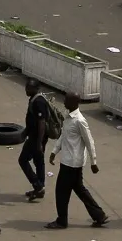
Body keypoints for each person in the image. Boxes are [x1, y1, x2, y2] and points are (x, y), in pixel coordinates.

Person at [47, 93, 107, 228]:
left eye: (67, 100)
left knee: (61, 191)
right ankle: (99, 215)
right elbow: (63, 136)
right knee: (79, 189)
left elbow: (89, 141)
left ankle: (62, 221)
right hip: (68, 160)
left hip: (72, 163)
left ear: (75, 103)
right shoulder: (68, 118)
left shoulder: (80, 120)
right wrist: (54, 151)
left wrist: (94, 162)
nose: (64, 102)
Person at [19, 79, 54, 200]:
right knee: (39, 162)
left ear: (36, 89)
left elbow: (41, 123)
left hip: (36, 138)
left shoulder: (38, 102)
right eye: (26, 87)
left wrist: (39, 143)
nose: (26, 90)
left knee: (23, 160)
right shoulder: (34, 99)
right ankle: (40, 188)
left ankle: (37, 185)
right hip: (35, 137)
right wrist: (25, 132)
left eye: (29, 88)